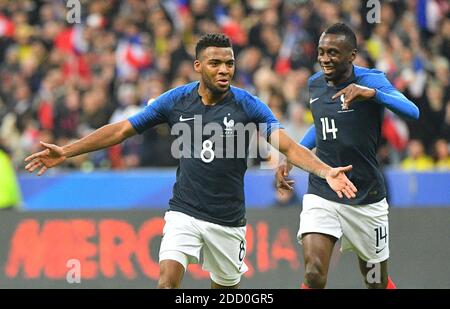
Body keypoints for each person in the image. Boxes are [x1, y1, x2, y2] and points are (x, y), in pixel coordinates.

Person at [25, 33, 357, 289]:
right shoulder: (176, 101)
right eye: (215, 63)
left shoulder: (248, 105)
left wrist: (325, 171)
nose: (224, 69)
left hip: (228, 221)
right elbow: (122, 130)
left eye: (229, 63)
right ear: (198, 66)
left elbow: (287, 145)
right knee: (167, 282)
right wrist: (67, 151)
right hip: (184, 211)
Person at [276, 23, 419, 289]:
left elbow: (413, 112)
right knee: (314, 272)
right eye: (321, 52)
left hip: (365, 195)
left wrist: (373, 95)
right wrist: (293, 155)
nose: (324, 59)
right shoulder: (315, 84)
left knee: (375, 281)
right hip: (324, 189)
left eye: (333, 52)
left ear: (352, 55)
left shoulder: (371, 79)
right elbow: (322, 125)